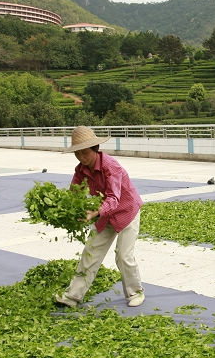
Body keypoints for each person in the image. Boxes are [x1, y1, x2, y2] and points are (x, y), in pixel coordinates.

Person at [55, 126, 145, 308]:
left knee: (123, 255)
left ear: (95, 148)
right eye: (77, 153)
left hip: (126, 211)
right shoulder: (80, 170)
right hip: (105, 213)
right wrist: (64, 209)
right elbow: (74, 193)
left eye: (85, 152)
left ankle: (135, 292)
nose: (81, 157)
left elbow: (114, 198)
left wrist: (95, 212)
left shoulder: (110, 167)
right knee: (91, 251)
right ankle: (72, 296)